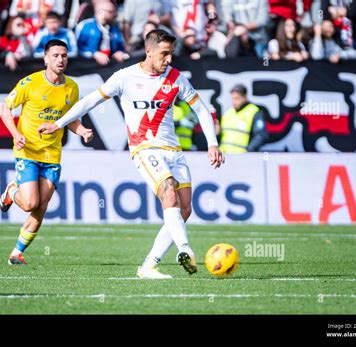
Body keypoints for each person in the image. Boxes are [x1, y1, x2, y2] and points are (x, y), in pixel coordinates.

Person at [38, 29, 224, 279]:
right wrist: (58, 124)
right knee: (167, 190)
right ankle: (185, 249)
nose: (169, 60)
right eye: (164, 54)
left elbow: (202, 110)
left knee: (185, 209)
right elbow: (89, 101)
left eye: (171, 54)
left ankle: (148, 266)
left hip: (174, 150)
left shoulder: (176, 78)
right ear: (149, 51)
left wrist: (212, 143)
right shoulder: (124, 77)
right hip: (144, 148)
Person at [0, 39, 93, 265]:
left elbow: (69, 119)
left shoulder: (72, 86)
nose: (60, 60)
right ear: (46, 58)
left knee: (41, 206)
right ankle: (12, 191)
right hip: (28, 150)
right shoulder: (30, 83)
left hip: (52, 155)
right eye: (56, 56)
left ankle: (16, 252)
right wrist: (15, 133)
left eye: (64, 56)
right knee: (31, 203)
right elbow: (5, 108)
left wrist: (81, 131)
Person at [75, 0, 128, 65]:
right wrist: (94, 54)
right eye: (110, 12)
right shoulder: (85, 26)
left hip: (110, 66)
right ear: (101, 12)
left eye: (115, 11)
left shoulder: (115, 28)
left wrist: (120, 53)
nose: (115, 14)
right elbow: (77, 48)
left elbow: (121, 46)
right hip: (87, 66)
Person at [220, 84, 269, 153]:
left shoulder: (254, 112)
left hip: (242, 157)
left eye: (237, 98)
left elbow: (261, 135)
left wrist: (248, 150)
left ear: (245, 97)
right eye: (232, 98)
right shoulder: (228, 113)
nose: (234, 102)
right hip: (224, 156)